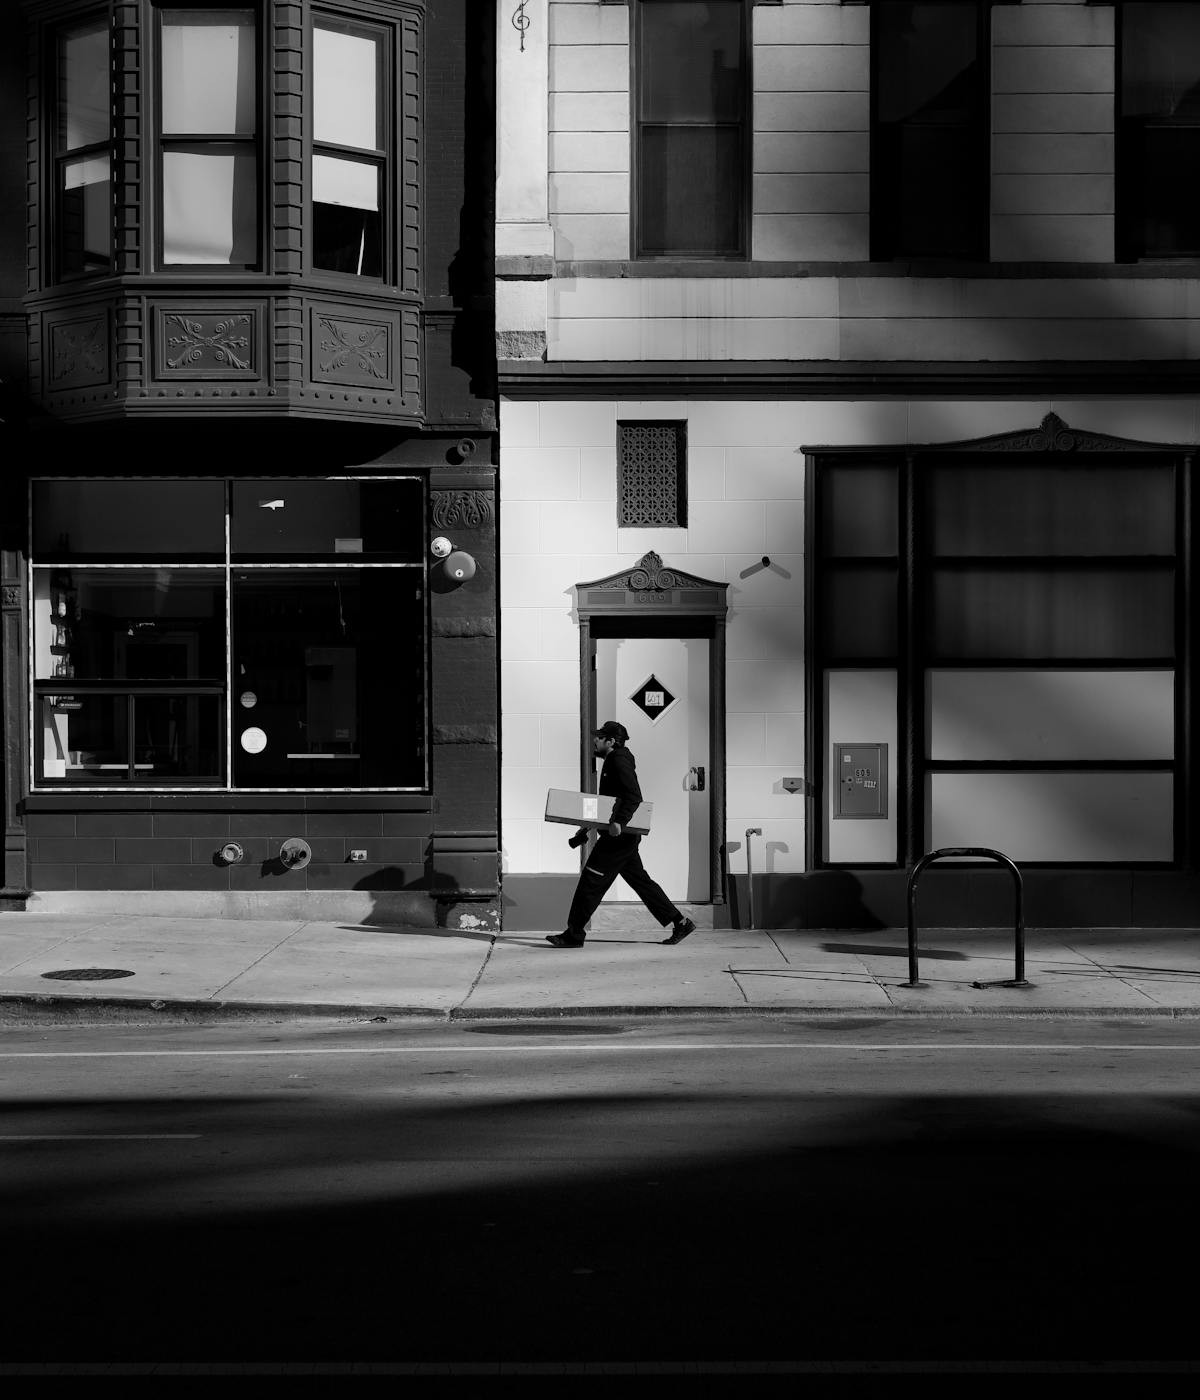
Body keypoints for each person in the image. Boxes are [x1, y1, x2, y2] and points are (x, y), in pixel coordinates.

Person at [547, 720, 697, 948]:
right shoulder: (613, 760)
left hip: (618, 839)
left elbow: (633, 795)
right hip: (622, 838)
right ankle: (680, 922)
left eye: (599, 737)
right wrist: (587, 827)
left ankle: (573, 935)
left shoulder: (618, 760)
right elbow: (608, 804)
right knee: (641, 882)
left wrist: (619, 822)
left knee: (590, 882)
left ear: (611, 741)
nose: (595, 740)